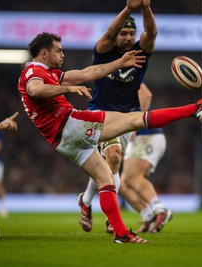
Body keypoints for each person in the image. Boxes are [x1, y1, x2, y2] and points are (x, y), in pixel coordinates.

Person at [17, 31, 202, 243]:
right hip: (70, 125)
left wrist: (119, 62)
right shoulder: (32, 72)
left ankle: (121, 234)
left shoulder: (51, 73)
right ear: (43, 53)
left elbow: (89, 73)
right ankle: (193, 110)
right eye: (58, 51)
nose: (62, 54)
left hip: (62, 140)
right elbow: (35, 90)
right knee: (134, 119)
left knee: (105, 178)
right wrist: (67, 89)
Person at [78, 0, 158, 234]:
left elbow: (151, 33)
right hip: (99, 113)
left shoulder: (141, 53)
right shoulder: (104, 51)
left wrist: (145, 8)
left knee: (110, 164)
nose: (127, 37)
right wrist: (129, 8)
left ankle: (85, 201)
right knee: (113, 156)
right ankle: (112, 217)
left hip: (127, 116)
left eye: (131, 33)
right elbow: (110, 33)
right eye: (124, 33)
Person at [119, 83, 172, 233]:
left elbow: (146, 94)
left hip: (147, 135)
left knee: (132, 177)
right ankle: (148, 216)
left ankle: (159, 209)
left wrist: (136, 124)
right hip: (138, 139)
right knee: (123, 185)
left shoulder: (123, 74)